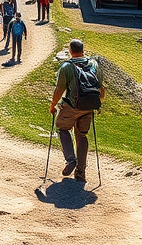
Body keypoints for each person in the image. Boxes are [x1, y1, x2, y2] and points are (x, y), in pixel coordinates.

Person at [49, 38, 105, 183]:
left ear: (70, 50)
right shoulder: (94, 64)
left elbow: (59, 89)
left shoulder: (67, 66)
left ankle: (70, 160)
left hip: (71, 106)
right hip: (89, 106)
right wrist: (97, 104)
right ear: (83, 50)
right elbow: (101, 88)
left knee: (62, 128)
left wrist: (53, 105)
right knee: (82, 136)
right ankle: (81, 172)